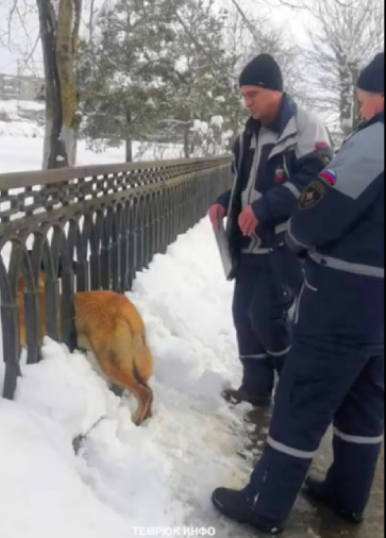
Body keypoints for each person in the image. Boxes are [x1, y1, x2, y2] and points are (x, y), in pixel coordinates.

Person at [212, 51, 384, 534]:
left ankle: (265, 505)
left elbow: (314, 215)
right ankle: (346, 495)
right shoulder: (251, 132)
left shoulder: (373, 144)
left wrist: (294, 234)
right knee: (365, 403)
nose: (363, 108)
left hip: (344, 299)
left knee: (301, 401)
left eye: (365, 98)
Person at [208, 53, 334, 408]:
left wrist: (264, 208)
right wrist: (223, 202)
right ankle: (256, 389)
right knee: (244, 317)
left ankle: (296, 386)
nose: (246, 102)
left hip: (284, 244)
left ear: (274, 90)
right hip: (248, 244)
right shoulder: (248, 134)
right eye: (243, 95)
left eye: (252, 94)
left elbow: (316, 181)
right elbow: (243, 184)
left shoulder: (306, 127)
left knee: (266, 317)